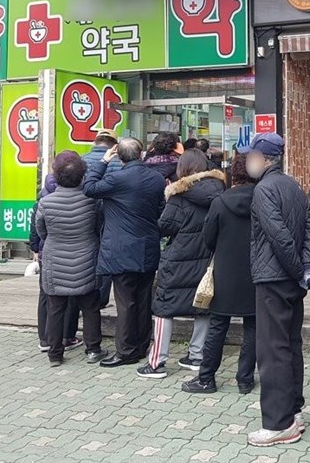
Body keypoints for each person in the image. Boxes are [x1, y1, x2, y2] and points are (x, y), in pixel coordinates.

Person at [245, 132, 310, 447]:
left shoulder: (264, 189)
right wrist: (305, 267)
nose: (248, 161)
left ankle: (279, 423)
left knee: (272, 350)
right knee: (290, 344)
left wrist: (297, 269)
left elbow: (278, 236)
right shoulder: (293, 185)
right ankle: (293, 411)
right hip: (291, 279)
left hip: (274, 278)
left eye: (251, 156)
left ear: (264, 158)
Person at [137, 149, 226, 378]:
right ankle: (197, 356)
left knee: (164, 308)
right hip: (207, 259)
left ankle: (156, 363)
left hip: (178, 259)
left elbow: (166, 226)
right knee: (203, 305)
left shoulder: (179, 195)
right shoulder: (219, 192)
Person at [83, 138, 166, 368]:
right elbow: (161, 209)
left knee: (126, 302)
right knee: (144, 299)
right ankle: (141, 346)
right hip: (148, 245)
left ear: (119, 157)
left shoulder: (116, 179)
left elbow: (89, 188)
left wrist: (102, 161)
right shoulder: (156, 178)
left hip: (121, 249)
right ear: (141, 154)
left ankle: (126, 351)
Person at [183, 149, 257, 395]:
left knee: (217, 325)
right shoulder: (263, 199)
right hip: (256, 270)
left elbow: (209, 238)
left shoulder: (220, 201)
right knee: (253, 326)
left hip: (225, 271)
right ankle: (245, 380)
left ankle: (206, 379)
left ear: (233, 173)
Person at [35, 151, 107, 366]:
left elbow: (41, 231)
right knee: (90, 306)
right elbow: (99, 227)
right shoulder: (92, 201)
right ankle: (93, 349)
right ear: (82, 175)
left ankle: (55, 354)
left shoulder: (46, 202)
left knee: (55, 308)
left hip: (55, 259)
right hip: (87, 258)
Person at [30, 173, 81, 353]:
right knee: (70, 296)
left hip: (47, 253)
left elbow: (36, 229)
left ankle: (45, 340)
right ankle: (67, 336)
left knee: (46, 296)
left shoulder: (41, 201)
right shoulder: (78, 199)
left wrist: (37, 248)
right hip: (73, 254)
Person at [82, 129, 122, 308]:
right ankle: (102, 298)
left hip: (85, 213)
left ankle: (86, 295)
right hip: (111, 214)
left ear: (95, 142)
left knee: (87, 253)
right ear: (115, 145)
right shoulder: (119, 163)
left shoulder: (82, 161)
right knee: (106, 255)